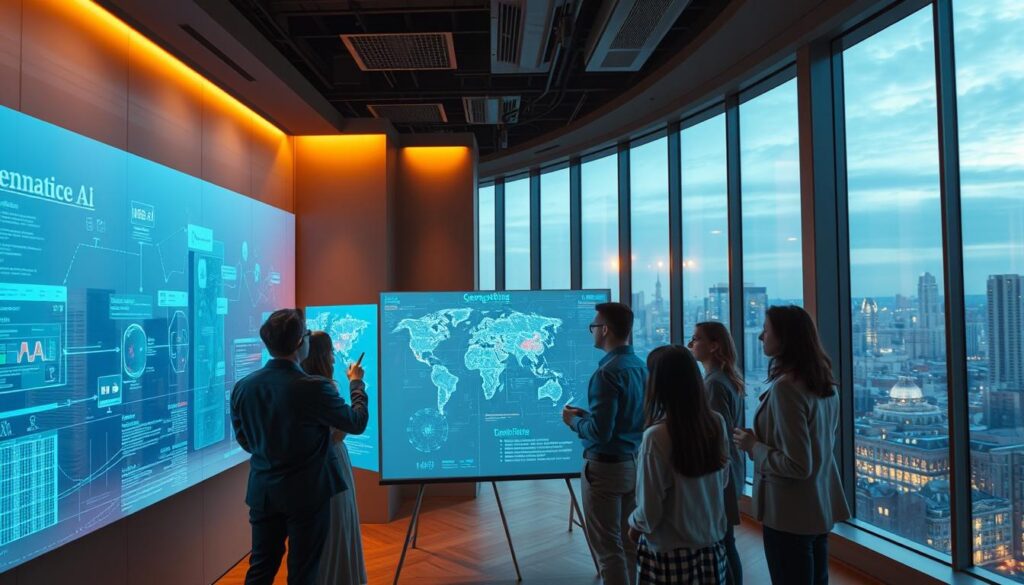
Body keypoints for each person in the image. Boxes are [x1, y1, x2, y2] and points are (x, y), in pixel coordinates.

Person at [230, 309, 369, 585]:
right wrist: (356, 384)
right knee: (303, 573)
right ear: (298, 344)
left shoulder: (243, 387)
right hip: (307, 495)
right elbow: (356, 421)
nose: (308, 338)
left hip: (263, 493)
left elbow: (245, 440)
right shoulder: (314, 388)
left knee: (260, 569)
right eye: (306, 334)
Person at [732, 306, 850, 585]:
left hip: (789, 512)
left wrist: (753, 446)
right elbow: (822, 445)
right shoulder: (825, 383)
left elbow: (797, 464)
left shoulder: (787, 388)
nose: (761, 336)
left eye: (767, 330)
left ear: (785, 338)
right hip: (818, 505)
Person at [628, 345, 730, 585]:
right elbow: (722, 480)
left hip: (668, 552)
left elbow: (649, 509)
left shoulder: (656, 435)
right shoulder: (716, 422)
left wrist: (634, 526)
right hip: (712, 548)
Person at [562, 302, 647, 585]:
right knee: (629, 542)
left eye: (593, 327)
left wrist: (573, 422)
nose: (592, 332)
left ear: (605, 330)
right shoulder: (641, 367)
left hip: (604, 471)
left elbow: (599, 433)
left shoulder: (606, 373)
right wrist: (588, 417)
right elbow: (628, 419)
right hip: (633, 464)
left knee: (608, 550)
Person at [301, 331, 368, 585]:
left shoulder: (300, 385)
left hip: (313, 470)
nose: (333, 359)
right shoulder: (324, 388)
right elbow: (351, 424)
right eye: (330, 353)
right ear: (321, 357)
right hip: (332, 467)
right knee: (338, 528)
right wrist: (356, 384)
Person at [688, 322, 745, 585]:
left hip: (719, 473)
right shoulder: (723, 379)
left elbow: (715, 437)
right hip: (729, 469)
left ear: (714, 345)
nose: (691, 344)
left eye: (697, 339)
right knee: (726, 540)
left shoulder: (713, 385)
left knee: (722, 542)